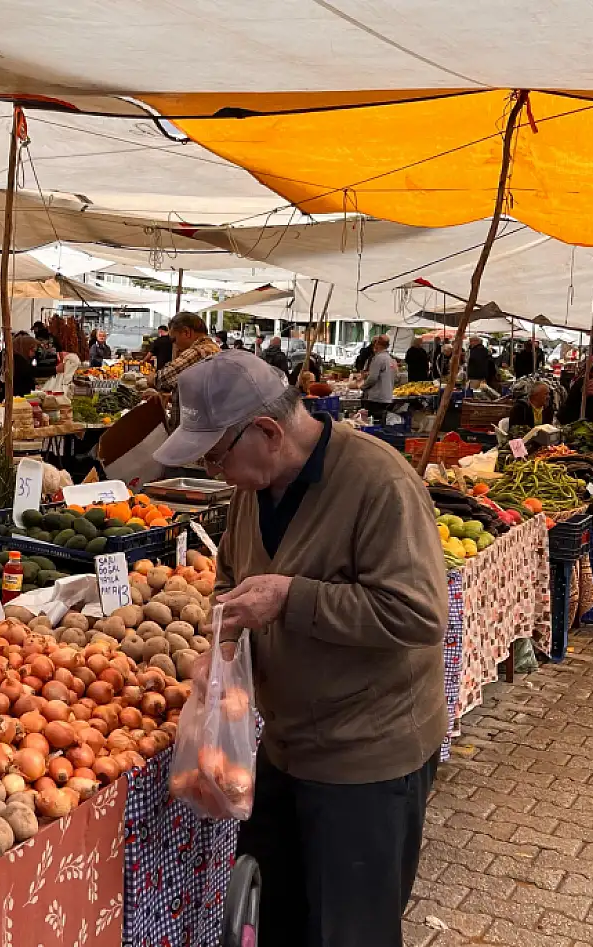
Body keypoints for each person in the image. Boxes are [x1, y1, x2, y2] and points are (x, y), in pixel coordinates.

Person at [152, 350, 445, 947]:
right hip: (286, 746)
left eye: (216, 454)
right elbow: (234, 577)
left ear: (266, 431)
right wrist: (225, 640)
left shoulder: (380, 482)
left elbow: (418, 613)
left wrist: (291, 598)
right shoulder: (252, 490)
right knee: (278, 919)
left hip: (366, 757)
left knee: (348, 931)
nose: (215, 470)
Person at [154, 312, 221, 394]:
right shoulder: (213, 347)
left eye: (174, 340)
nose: (175, 345)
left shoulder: (199, 351)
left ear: (186, 332)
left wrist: (148, 378)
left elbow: (162, 379)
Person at [0, 332, 37, 396]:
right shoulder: (19, 361)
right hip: (14, 398)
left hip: (2, 395)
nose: (34, 354)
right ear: (24, 348)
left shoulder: (5, 354)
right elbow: (25, 384)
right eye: (32, 350)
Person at [362, 334, 396, 423]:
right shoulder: (390, 358)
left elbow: (373, 377)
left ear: (377, 345)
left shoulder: (378, 358)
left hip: (376, 397)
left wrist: (363, 387)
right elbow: (395, 377)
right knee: (381, 421)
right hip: (387, 395)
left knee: (373, 421)